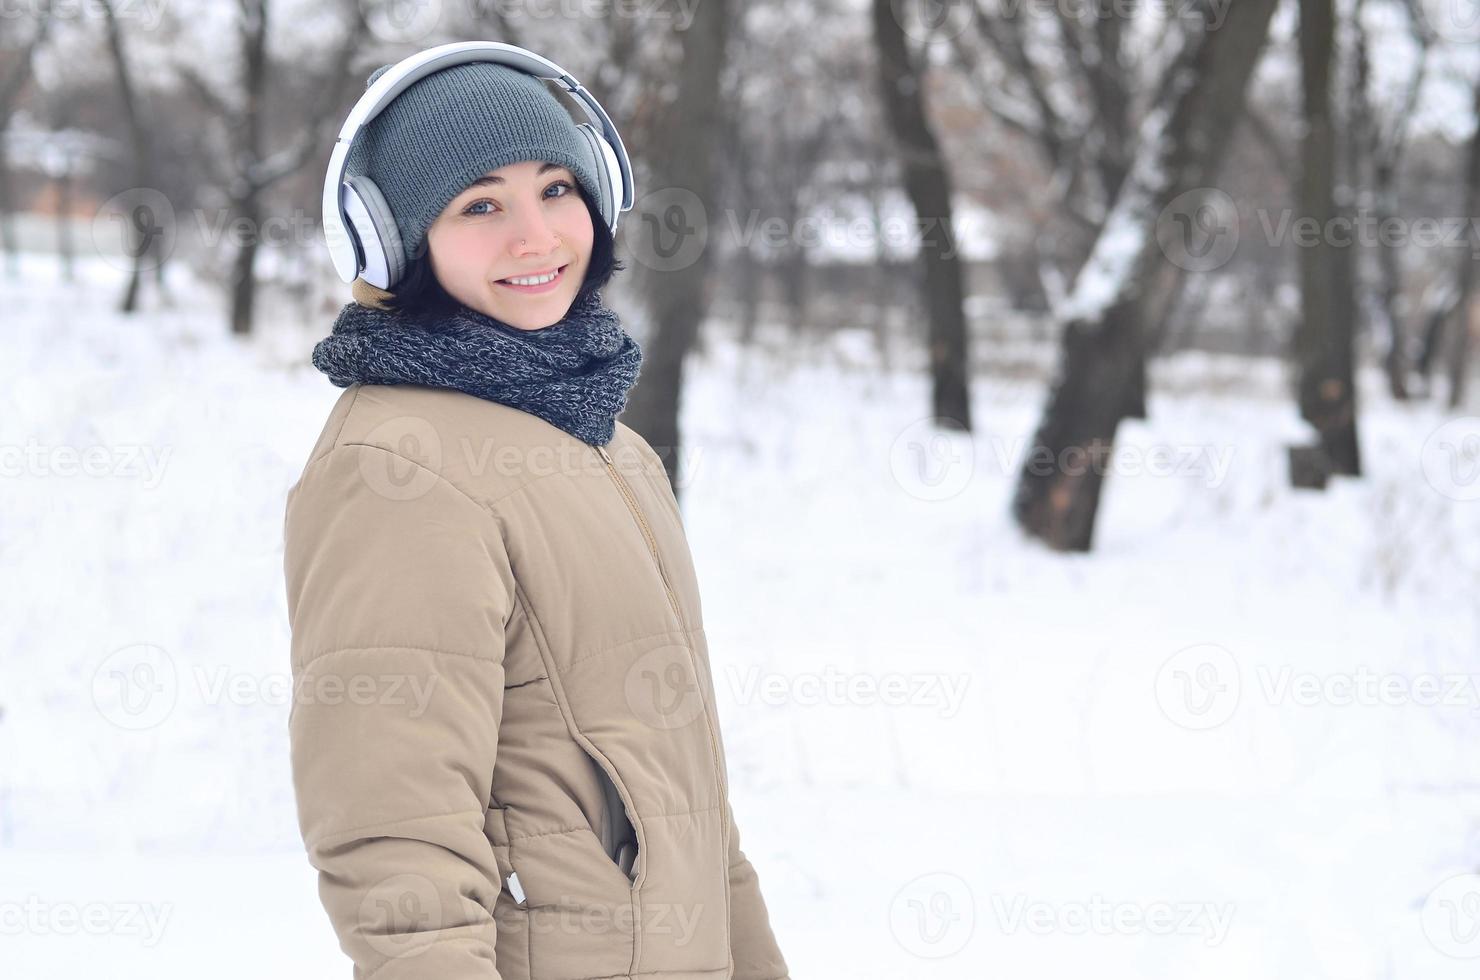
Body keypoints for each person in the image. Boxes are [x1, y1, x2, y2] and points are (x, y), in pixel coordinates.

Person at [282, 49, 790, 980]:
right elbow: (396, 844)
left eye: (556, 188)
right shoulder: (396, 468)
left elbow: (693, 816)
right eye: (479, 205)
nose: (537, 235)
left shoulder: (609, 445)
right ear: (392, 240)